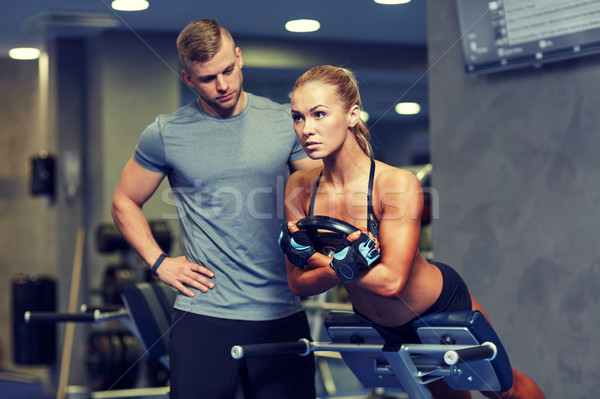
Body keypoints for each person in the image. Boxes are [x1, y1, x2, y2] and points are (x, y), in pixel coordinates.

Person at [279, 65, 545, 399]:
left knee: (504, 390)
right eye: (298, 117)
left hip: (438, 307)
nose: (307, 129)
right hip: (382, 325)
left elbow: (391, 283)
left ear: (352, 115)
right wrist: (344, 264)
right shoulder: (300, 187)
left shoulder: (395, 184)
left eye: (319, 114)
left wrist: (319, 261)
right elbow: (297, 284)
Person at [111, 19, 321, 399]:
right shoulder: (166, 133)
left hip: (281, 313)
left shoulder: (285, 122)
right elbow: (124, 201)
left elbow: (323, 194)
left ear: (239, 58)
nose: (222, 85)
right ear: (188, 79)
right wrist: (160, 262)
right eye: (208, 78)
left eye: (228, 70)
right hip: (205, 316)